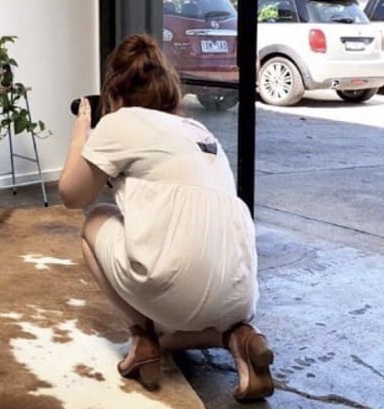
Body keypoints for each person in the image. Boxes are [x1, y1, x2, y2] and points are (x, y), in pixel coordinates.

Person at [58, 33, 274, 401]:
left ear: (114, 94)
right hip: (240, 293)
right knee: (178, 329)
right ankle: (239, 337)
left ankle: (141, 338)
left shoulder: (121, 121)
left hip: (173, 285)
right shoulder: (200, 131)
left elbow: (71, 195)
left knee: (95, 220)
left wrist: (82, 130)